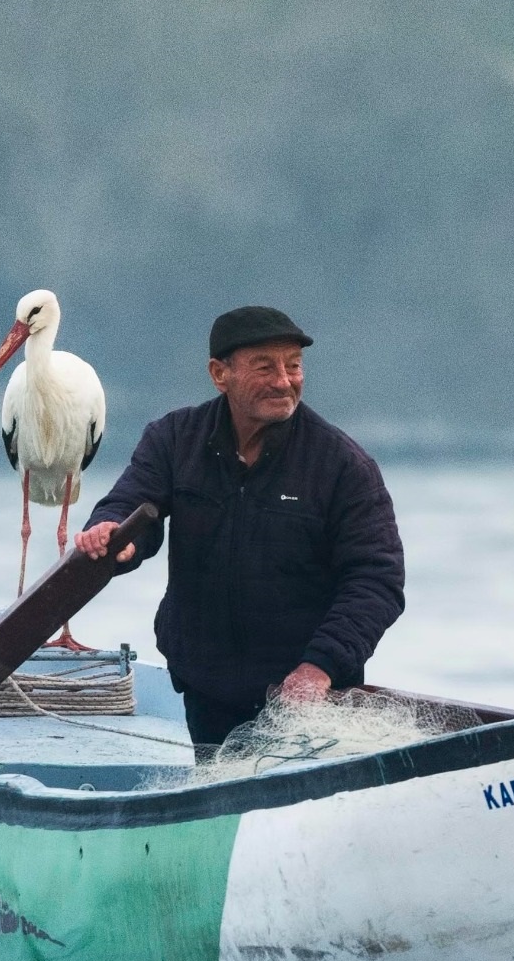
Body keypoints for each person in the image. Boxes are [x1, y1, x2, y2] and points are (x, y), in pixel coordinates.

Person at [75, 305, 405, 748]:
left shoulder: (342, 465)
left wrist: (319, 668)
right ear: (219, 373)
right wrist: (112, 533)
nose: (284, 381)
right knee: (217, 792)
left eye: (294, 366)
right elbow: (131, 502)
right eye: (265, 367)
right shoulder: (175, 438)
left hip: (308, 699)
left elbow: (377, 579)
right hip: (204, 686)